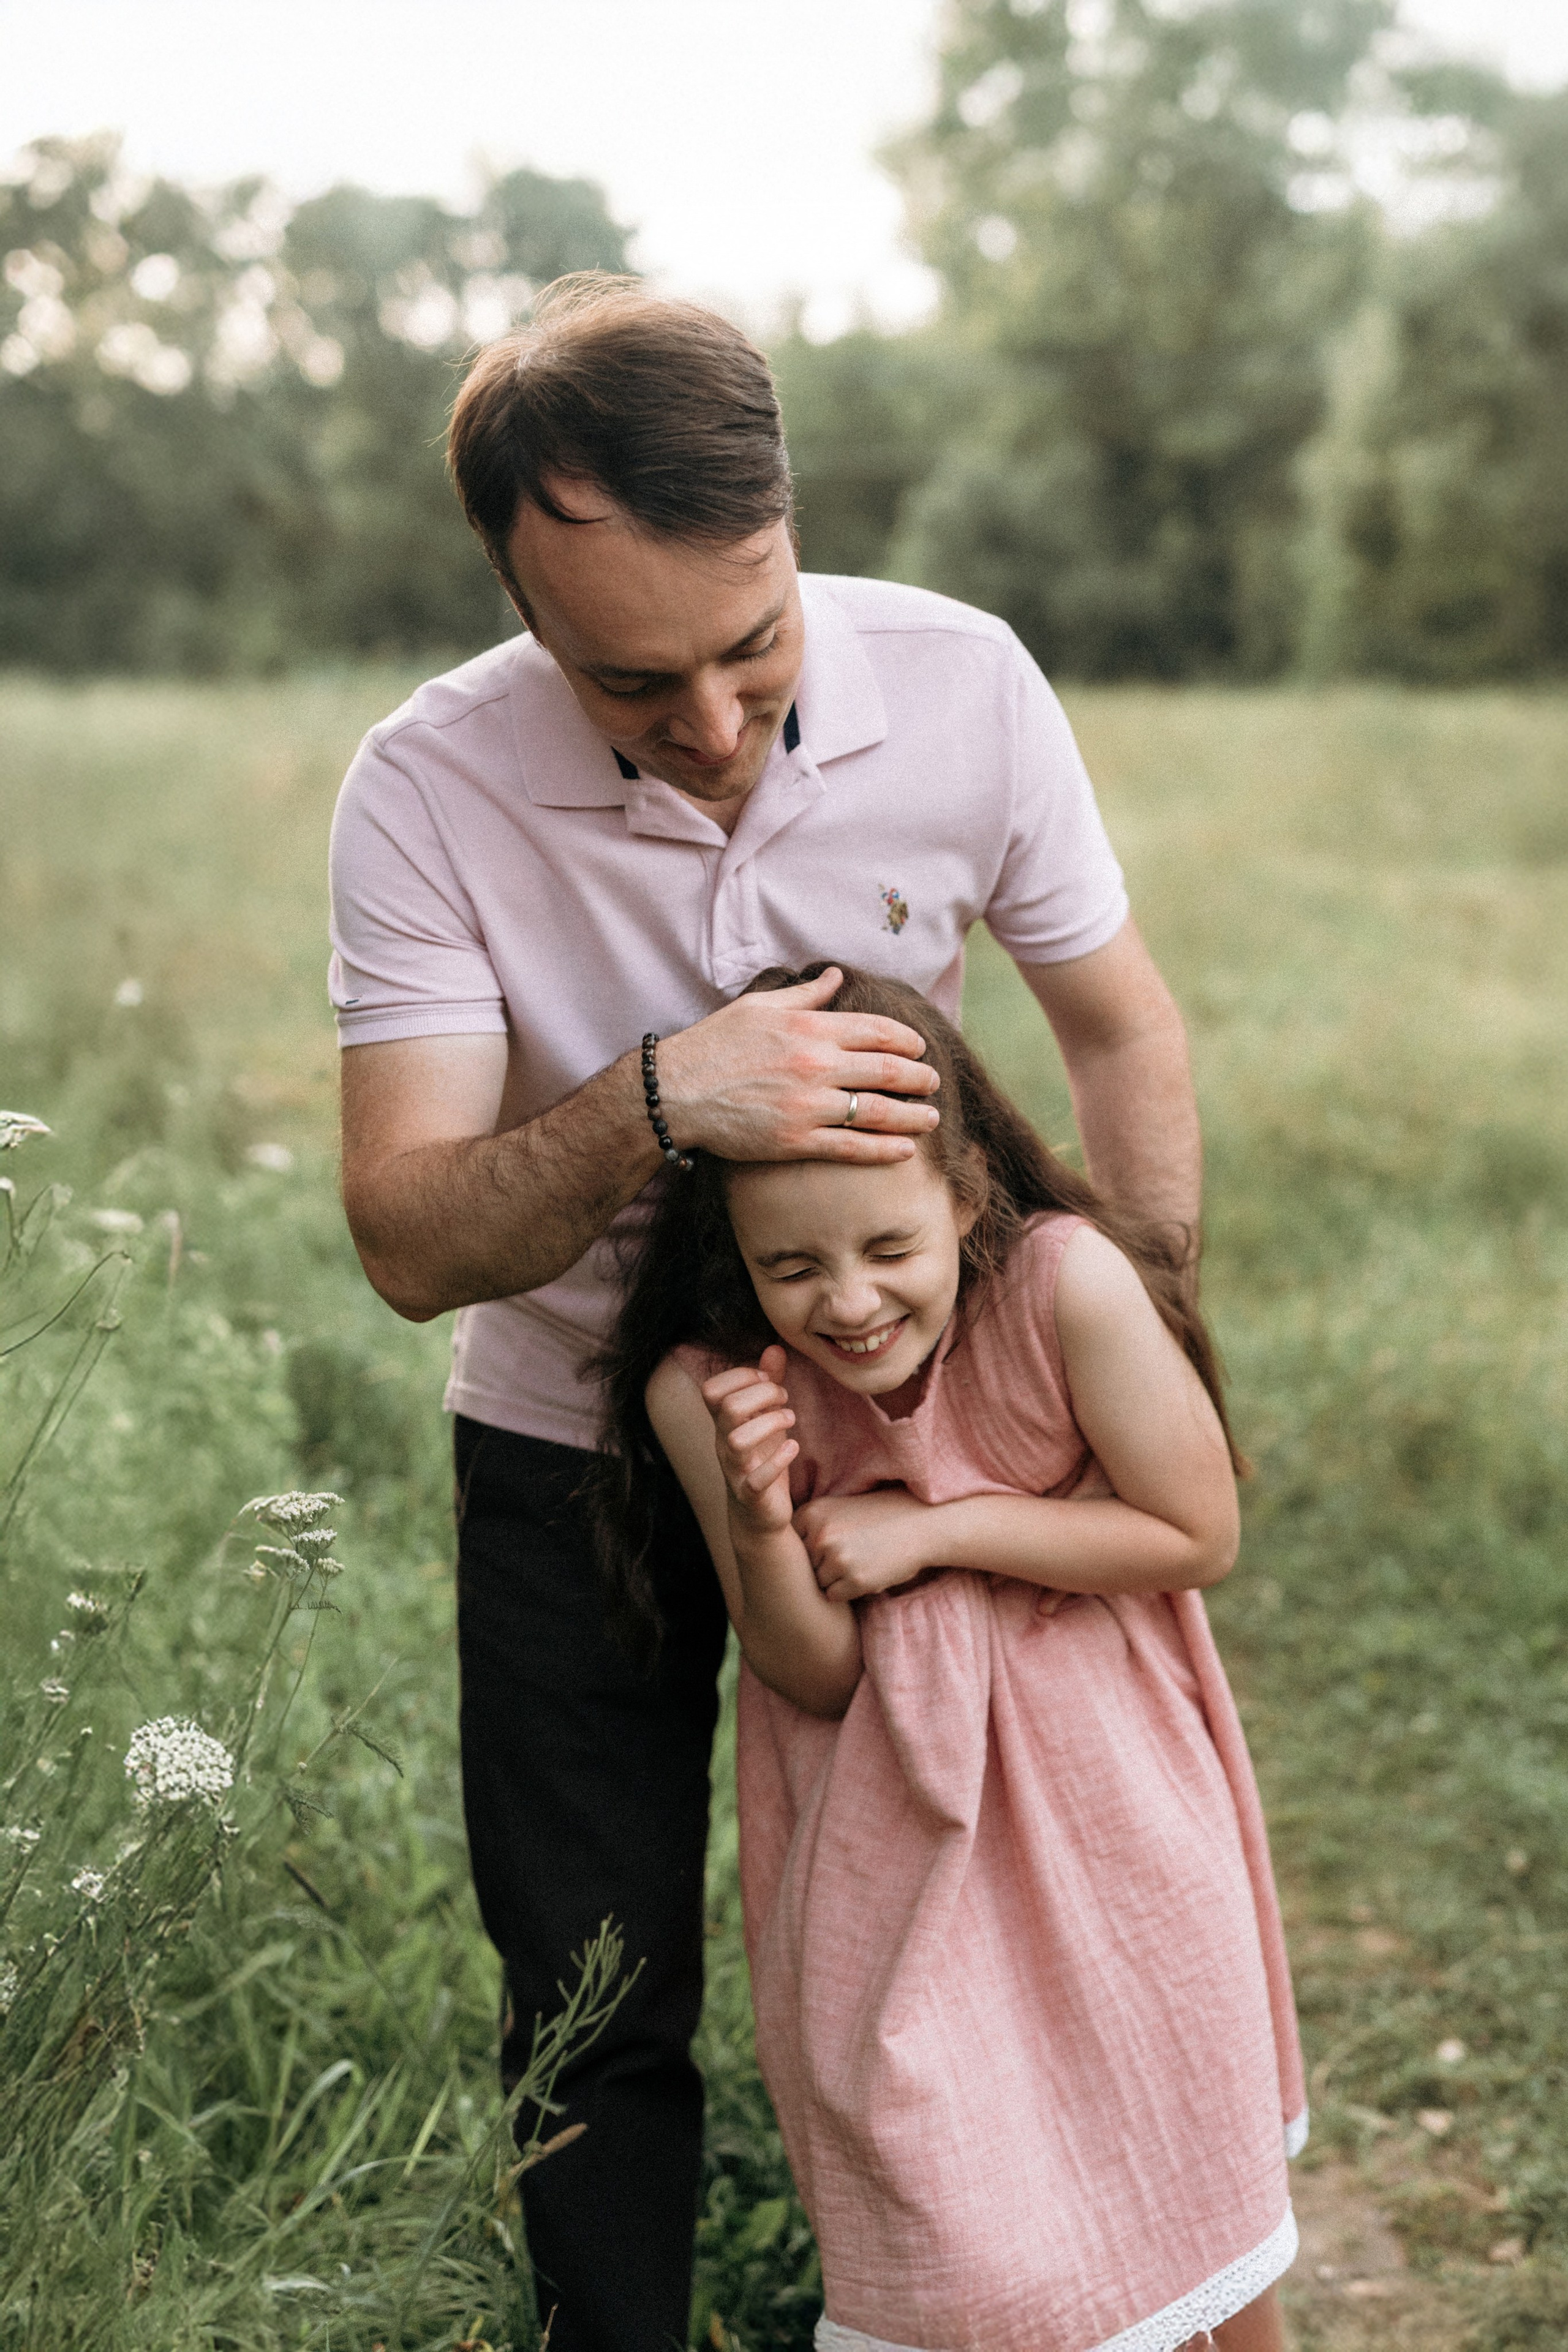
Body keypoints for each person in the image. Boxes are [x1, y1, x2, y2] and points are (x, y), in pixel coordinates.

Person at [330, 273, 1205, 2351]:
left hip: (922, 1440)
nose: (714, 729)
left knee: (1007, 1934)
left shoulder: (971, 686)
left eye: (755, 647)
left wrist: (1138, 1361)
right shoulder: (423, 785)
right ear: (520, 602)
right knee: (595, 1982)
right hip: (572, 1447)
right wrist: (664, 1096)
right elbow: (410, 1241)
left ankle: (1058, 2293)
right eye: (633, 684)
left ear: (788, 521)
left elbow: (1120, 1029)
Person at [601, 963, 1306, 2352]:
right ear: (733, 1250)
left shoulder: (1063, 1284)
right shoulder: (711, 1389)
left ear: (965, 1197)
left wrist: (940, 1529)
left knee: (1189, 2187)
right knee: (952, 2219)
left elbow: (1195, 1530)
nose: (848, 1302)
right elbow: (813, 1676)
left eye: (888, 1247)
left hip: (1113, 1814)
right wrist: (762, 1520)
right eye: (790, 1269)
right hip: (893, 1858)